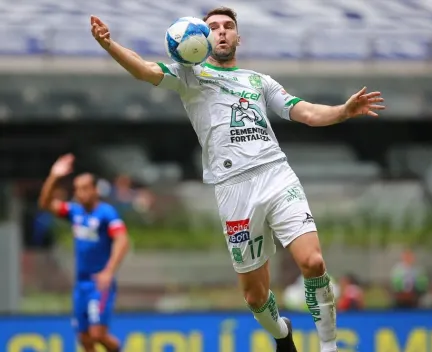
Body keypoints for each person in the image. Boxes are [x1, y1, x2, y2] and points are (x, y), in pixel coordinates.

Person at [90, 7, 385, 352]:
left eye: (229, 26)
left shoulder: (258, 81)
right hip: (233, 189)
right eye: (214, 27)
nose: (222, 31)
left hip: (275, 173)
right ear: (202, 36)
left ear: (238, 37)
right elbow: (144, 70)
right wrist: (110, 45)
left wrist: (342, 111)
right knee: (255, 296)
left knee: (313, 262)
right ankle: (282, 334)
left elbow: (303, 111)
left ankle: (329, 345)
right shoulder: (190, 76)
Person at [38, 154, 130, 352]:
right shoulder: (75, 212)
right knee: (85, 338)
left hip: (99, 282)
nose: (80, 193)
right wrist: (54, 176)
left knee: (98, 334)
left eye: (85, 188)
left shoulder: (106, 213)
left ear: (96, 190)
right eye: (77, 189)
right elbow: (45, 203)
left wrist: (109, 271)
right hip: (81, 284)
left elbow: (123, 240)